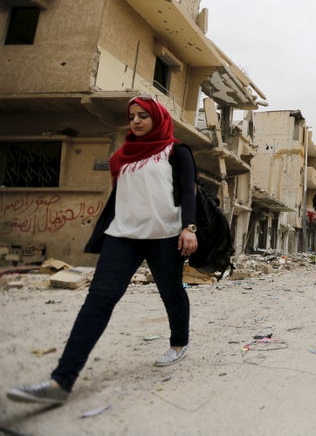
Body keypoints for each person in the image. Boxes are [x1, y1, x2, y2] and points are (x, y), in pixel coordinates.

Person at [7, 95, 198, 405]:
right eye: (132, 115)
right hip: (122, 234)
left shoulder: (176, 151)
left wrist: (189, 227)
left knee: (171, 291)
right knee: (99, 299)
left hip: (164, 234)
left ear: (158, 119)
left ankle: (179, 343)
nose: (135, 121)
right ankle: (61, 381)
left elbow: (189, 191)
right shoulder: (124, 155)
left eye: (143, 116)